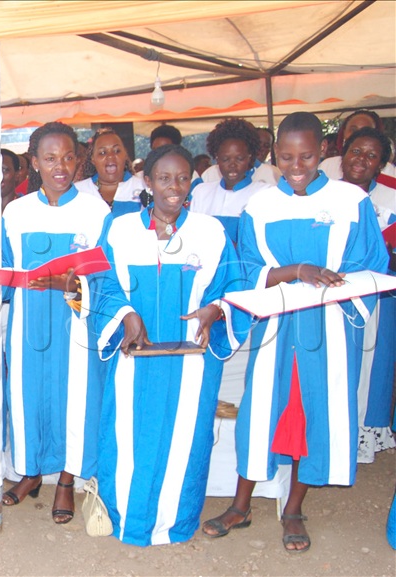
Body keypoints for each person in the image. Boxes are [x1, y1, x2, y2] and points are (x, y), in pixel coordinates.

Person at [202, 112, 387, 553]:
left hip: (330, 328)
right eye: (286, 157)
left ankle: (293, 510)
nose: (296, 166)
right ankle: (241, 505)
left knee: (313, 413)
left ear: (323, 151)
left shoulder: (350, 201)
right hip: (277, 326)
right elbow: (247, 270)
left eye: (306, 156)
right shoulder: (261, 206)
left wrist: (339, 290)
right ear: (274, 156)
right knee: (260, 411)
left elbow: (372, 264)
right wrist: (297, 271)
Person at [95, 144, 247, 546]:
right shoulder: (120, 229)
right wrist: (126, 314)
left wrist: (216, 309)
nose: (174, 187)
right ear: (147, 182)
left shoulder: (210, 232)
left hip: (191, 362)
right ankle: (127, 519)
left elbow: (235, 285)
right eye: (164, 178)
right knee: (128, 436)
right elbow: (99, 283)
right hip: (135, 359)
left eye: (182, 179)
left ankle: (177, 522)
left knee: (186, 440)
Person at [0, 123, 113, 525]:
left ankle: (65, 478)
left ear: (79, 160)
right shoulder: (16, 212)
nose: (60, 166)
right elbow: (6, 268)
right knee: (27, 397)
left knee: (73, 399)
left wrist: (72, 285)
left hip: (75, 324)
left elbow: (107, 276)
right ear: (34, 163)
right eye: (49, 158)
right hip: (27, 325)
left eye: (67, 157)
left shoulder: (96, 212)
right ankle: (30, 472)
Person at [339, 127, 396, 462]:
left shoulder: (390, 198)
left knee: (372, 364)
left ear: (381, 165)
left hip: (377, 293)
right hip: (329, 292)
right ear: (343, 155)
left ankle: (361, 434)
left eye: (372, 156)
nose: (361, 160)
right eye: (356, 151)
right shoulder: (322, 193)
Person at [189, 118, 271, 244]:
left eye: (239, 158)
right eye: (225, 159)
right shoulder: (201, 192)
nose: (232, 165)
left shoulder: (264, 193)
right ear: (217, 158)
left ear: (249, 157)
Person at [76, 129, 147, 216]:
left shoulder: (144, 187)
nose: (110, 156)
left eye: (117, 151)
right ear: (93, 159)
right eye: (102, 152)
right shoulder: (78, 191)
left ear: (125, 154)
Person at [320, 109, 396, 185]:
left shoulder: (388, 170)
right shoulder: (327, 165)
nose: (358, 135)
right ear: (344, 132)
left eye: (366, 130)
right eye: (353, 130)